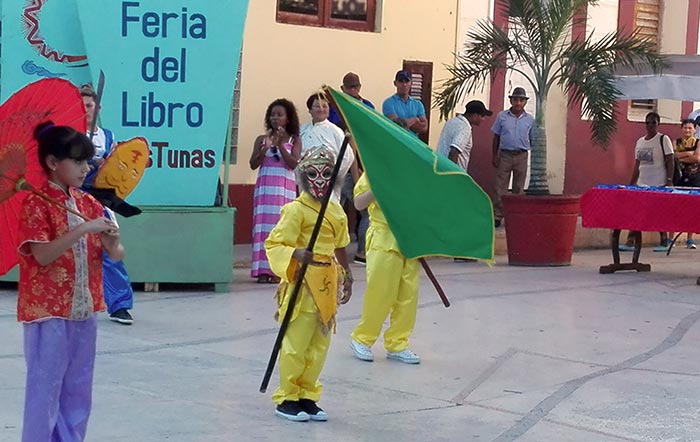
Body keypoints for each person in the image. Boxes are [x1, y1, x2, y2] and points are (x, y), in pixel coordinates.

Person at [18, 122, 125, 441]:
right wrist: (81, 230)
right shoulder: (35, 204)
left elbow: (118, 255)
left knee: (78, 390)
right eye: (77, 161)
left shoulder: (89, 204)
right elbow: (42, 256)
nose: (85, 168)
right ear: (53, 162)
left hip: (84, 311)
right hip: (48, 313)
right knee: (44, 391)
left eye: (87, 161)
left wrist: (111, 241)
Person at [264, 145, 353, 422]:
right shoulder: (295, 210)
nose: (320, 179)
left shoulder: (336, 212)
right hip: (302, 283)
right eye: (313, 173)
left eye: (326, 173)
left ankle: (308, 395)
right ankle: (288, 396)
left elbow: (340, 246)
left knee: (319, 344)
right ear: (303, 176)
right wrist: (295, 254)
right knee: (296, 342)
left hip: (327, 282)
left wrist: (347, 274)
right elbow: (275, 243)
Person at [349, 172, 421, 365]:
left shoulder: (413, 171)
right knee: (381, 292)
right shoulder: (376, 169)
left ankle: (398, 343)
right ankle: (362, 337)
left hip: (409, 240)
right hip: (383, 236)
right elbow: (358, 203)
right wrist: (376, 190)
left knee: (408, 295)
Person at [80, 83, 135, 324]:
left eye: (89, 105)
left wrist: (105, 163)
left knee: (110, 249)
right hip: (73, 197)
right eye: (81, 106)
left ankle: (120, 304)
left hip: (101, 199)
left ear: (98, 106)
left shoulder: (108, 136)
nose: (86, 110)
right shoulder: (68, 133)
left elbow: (119, 168)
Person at [249, 99, 302, 284]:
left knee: (282, 229)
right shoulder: (261, 139)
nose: (275, 118)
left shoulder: (294, 140)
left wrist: (280, 145)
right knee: (264, 229)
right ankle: (263, 270)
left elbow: (293, 164)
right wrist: (265, 149)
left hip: (284, 191)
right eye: (272, 115)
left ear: (288, 119)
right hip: (265, 191)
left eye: (279, 115)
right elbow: (253, 164)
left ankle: (279, 270)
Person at [329, 72, 374, 265]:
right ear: (343, 88)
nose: (354, 90)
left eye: (357, 86)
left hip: (360, 166)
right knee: (335, 210)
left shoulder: (367, 107)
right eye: (350, 87)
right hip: (339, 168)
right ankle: (332, 250)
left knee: (363, 212)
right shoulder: (334, 108)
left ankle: (361, 252)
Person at [619, 112, 674, 252]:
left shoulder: (663, 139)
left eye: (653, 122)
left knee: (659, 213)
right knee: (636, 212)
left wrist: (669, 180)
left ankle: (664, 241)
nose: (650, 125)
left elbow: (670, 160)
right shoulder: (640, 142)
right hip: (641, 184)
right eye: (648, 122)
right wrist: (631, 183)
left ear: (658, 124)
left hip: (659, 183)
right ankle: (631, 241)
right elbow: (637, 165)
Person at [491, 87, 535, 228]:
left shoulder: (530, 119)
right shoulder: (502, 117)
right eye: (515, 99)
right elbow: (496, 136)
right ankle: (498, 215)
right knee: (500, 186)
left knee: (518, 187)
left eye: (521, 100)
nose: (518, 103)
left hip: (521, 155)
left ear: (525, 102)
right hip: (505, 155)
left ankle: (514, 215)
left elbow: (532, 138)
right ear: (510, 100)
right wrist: (494, 155)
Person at [300, 92, 354, 202]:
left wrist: (332, 175)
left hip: (329, 183)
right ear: (310, 110)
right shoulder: (302, 131)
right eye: (317, 106)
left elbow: (348, 156)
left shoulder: (335, 131)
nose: (321, 109)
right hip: (307, 181)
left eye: (324, 106)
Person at [437, 100, 493, 172]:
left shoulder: (452, 121)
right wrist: (452, 173)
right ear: (474, 116)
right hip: (453, 173)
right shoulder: (465, 128)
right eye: (482, 116)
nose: (483, 119)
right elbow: (454, 151)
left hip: (439, 166)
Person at [672, 119, 700, 248]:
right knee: (675, 207)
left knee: (691, 208)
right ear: (681, 129)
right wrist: (688, 154)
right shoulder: (676, 142)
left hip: (694, 179)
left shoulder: (698, 143)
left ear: (695, 129)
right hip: (679, 178)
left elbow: (697, 158)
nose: (687, 130)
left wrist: (682, 156)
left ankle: (690, 239)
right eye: (685, 128)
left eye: (690, 128)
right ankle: (669, 238)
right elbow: (672, 156)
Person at [382, 69, 428, 137]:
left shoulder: (418, 104)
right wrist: (415, 119)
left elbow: (424, 127)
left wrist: (403, 123)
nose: (404, 84)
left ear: (411, 83)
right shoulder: (388, 103)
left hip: (413, 144)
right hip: (396, 142)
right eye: (401, 81)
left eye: (407, 81)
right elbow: (396, 125)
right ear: (395, 83)